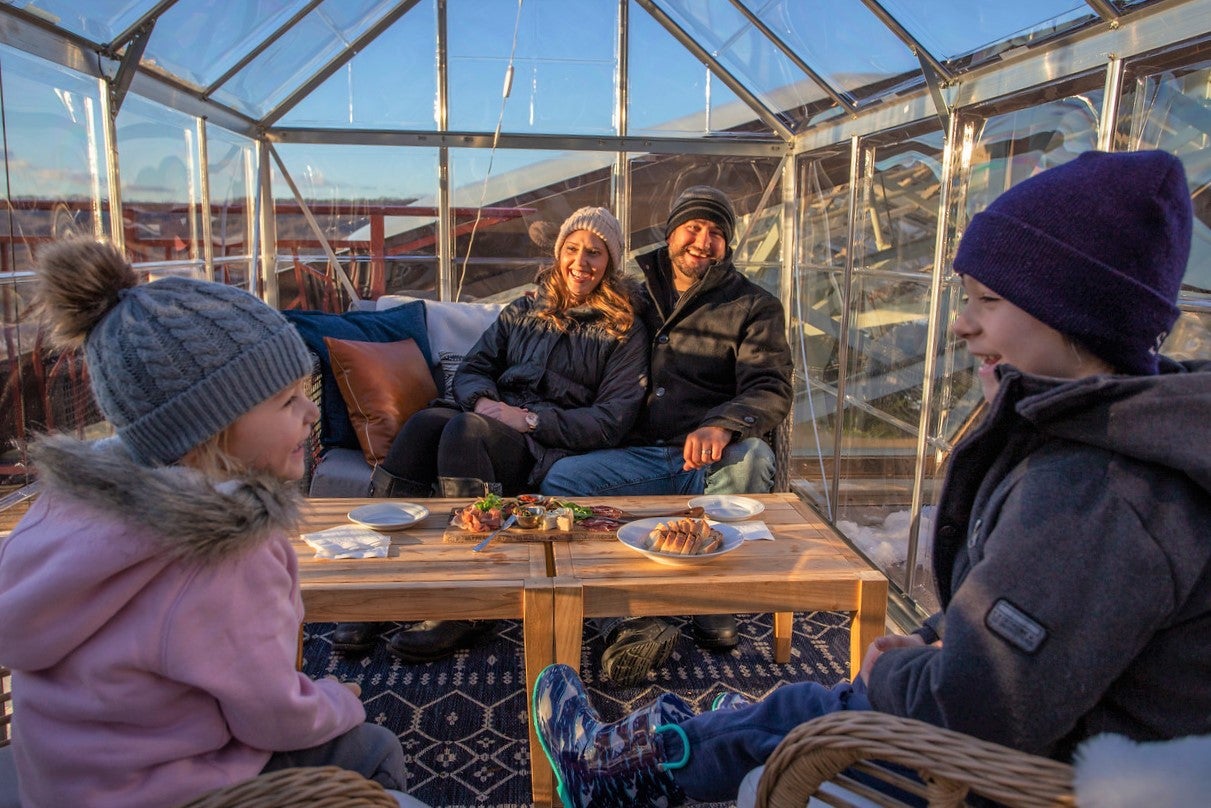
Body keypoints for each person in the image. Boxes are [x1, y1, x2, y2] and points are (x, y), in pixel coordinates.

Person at [530, 149, 1211, 807]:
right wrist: (929, 635)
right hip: (645, 452)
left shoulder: (1098, 494)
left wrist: (899, 667)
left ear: (1072, 309)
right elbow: (1036, 601)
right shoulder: (1095, 444)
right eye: (965, 297)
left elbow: (983, 697)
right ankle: (685, 695)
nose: (962, 326)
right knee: (569, 486)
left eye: (988, 300)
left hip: (1012, 772)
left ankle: (616, 766)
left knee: (801, 702)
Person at [0, 239, 409, 808]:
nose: (312, 412)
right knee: (372, 747)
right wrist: (341, 698)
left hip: (62, 784)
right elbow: (275, 719)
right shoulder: (222, 552)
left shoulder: (59, 511)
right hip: (173, 792)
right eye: (288, 400)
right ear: (210, 428)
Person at [332, 206, 649, 662]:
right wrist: (484, 402)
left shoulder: (623, 330)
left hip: (541, 442)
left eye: (595, 252)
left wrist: (530, 420)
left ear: (611, 262)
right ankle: (377, 586)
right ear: (560, 253)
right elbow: (476, 367)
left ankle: (469, 603)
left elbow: (611, 419)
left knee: (465, 432)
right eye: (573, 249)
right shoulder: (523, 310)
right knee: (424, 424)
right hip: (490, 415)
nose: (582, 261)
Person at [540, 186, 794, 684]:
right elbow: (571, 315)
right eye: (694, 228)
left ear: (729, 245)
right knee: (560, 484)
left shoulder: (754, 305)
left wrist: (723, 423)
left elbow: (770, 386)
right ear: (672, 232)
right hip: (635, 456)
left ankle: (713, 598)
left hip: (707, 461)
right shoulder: (634, 293)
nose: (703, 241)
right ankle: (629, 616)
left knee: (753, 459)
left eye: (717, 233)